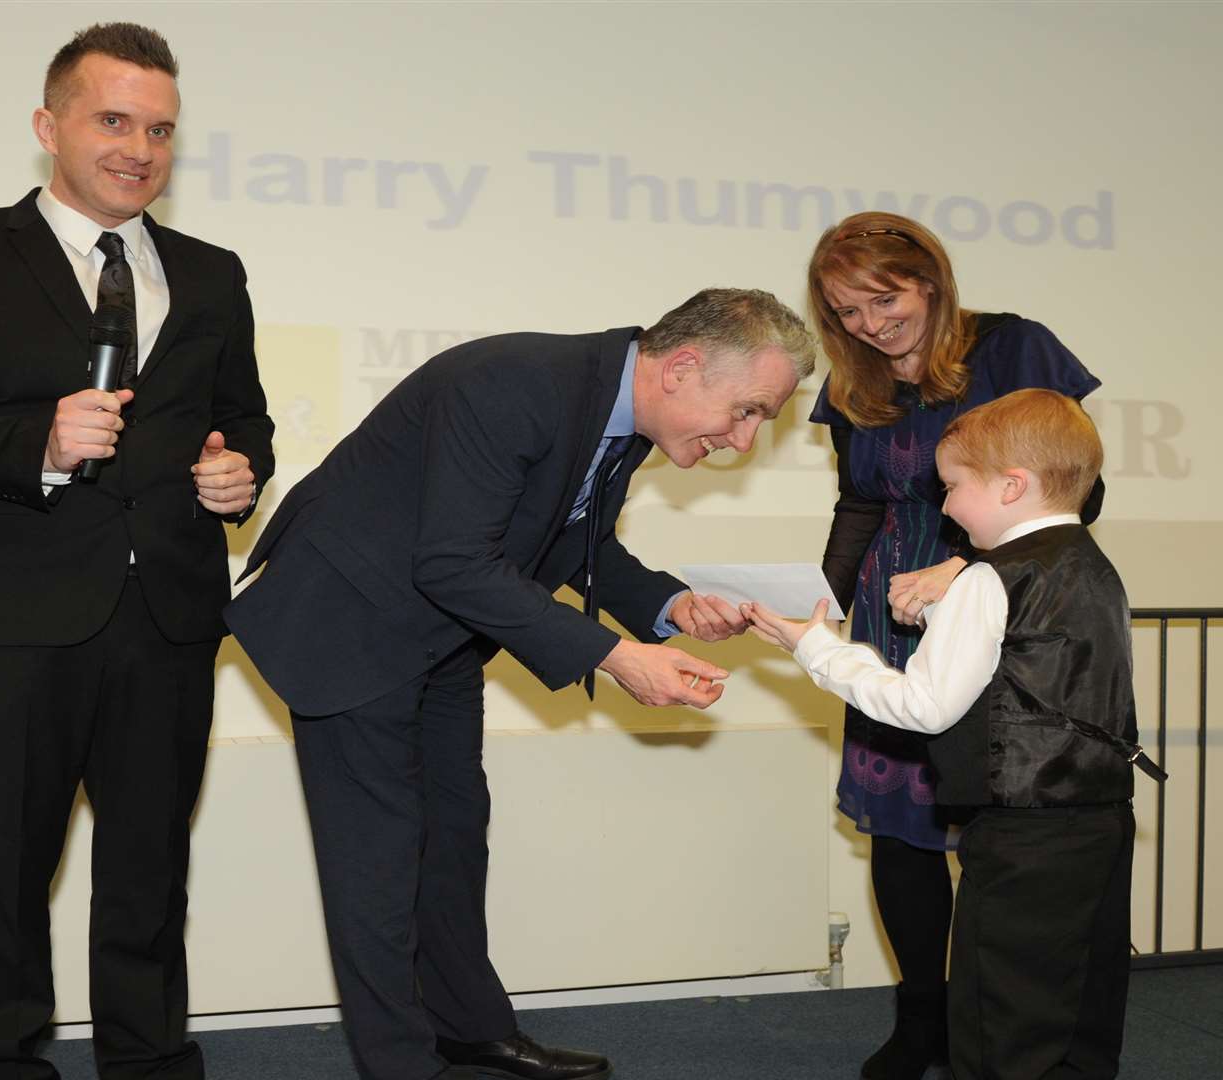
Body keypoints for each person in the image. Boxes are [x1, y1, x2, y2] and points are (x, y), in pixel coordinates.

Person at [224, 289, 815, 1080]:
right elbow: (454, 561)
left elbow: (573, 542)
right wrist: (615, 655)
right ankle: (401, 1066)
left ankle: (470, 1029)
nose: (742, 441)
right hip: (349, 622)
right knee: (380, 861)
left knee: (454, 837)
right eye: (746, 412)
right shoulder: (516, 383)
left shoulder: (619, 417)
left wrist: (671, 607)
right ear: (682, 367)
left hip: (438, 631)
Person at [0, 23, 272, 1080]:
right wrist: (31, 443)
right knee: (6, 860)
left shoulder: (214, 274)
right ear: (51, 125)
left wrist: (241, 478)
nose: (140, 147)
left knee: (150, 862)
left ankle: (149, 1057)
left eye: (162, 129)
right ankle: (4, 1059)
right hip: (10, 616)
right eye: (114, 120)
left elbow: (244, 424)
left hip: (170, 615)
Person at [745, 388, 1156, 1080]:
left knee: (998, 1015)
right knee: (1081, 1004)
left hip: (1021, 834)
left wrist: (817, 649)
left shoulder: (989, 580)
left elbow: (922, 706)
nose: (944, 508)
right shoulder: (1093, 565)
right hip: (1101, 822)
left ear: (1011, 486)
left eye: (954, 486)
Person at [805, 212, 1106, 1079]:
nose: (868, 324)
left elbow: (1078, 494)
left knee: (997, 822)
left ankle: (1000, 1015)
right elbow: (858, 505)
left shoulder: (1014, 351)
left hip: (1005, 604)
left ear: (929, 280)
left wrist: (971, 568)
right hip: (887, 605)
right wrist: (824, 605)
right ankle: (921, 1023)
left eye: (884, 298)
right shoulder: (853, 383)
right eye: (845, 310)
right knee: (900, 832)